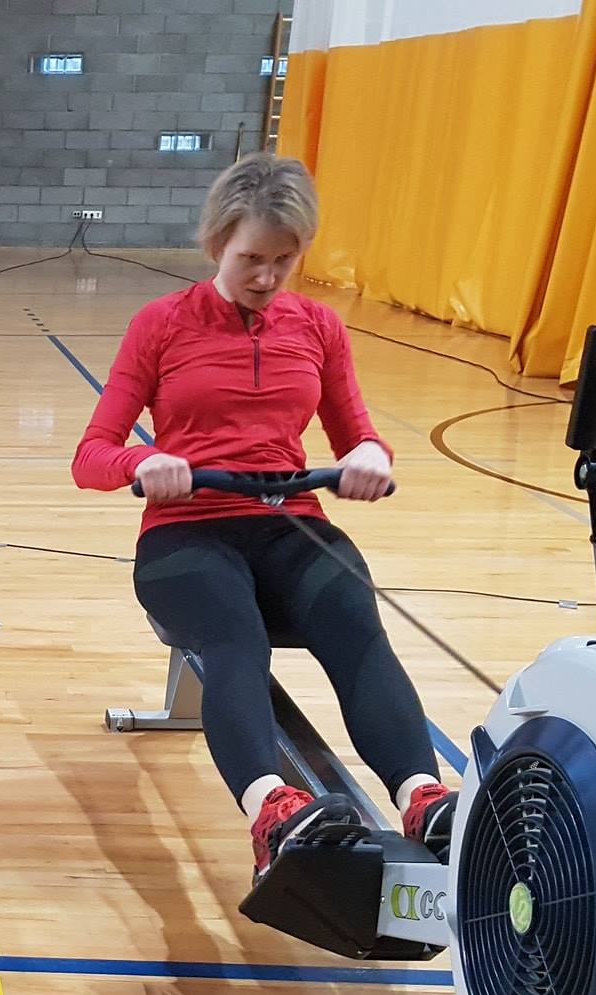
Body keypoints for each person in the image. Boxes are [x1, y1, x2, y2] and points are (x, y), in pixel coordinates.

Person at [71, 152, 455, 883]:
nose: (267, 277)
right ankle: (272, 811)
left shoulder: (317, 327)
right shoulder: (161, 324)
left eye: (285, 260)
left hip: (290, 521)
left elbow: (358, 435)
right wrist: (143, 463)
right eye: (252, 258)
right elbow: (91, 455)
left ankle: (422, 797)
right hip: (187, 530)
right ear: (218, 242)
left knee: (357, 627)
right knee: (235, 639)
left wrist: (369, 458)